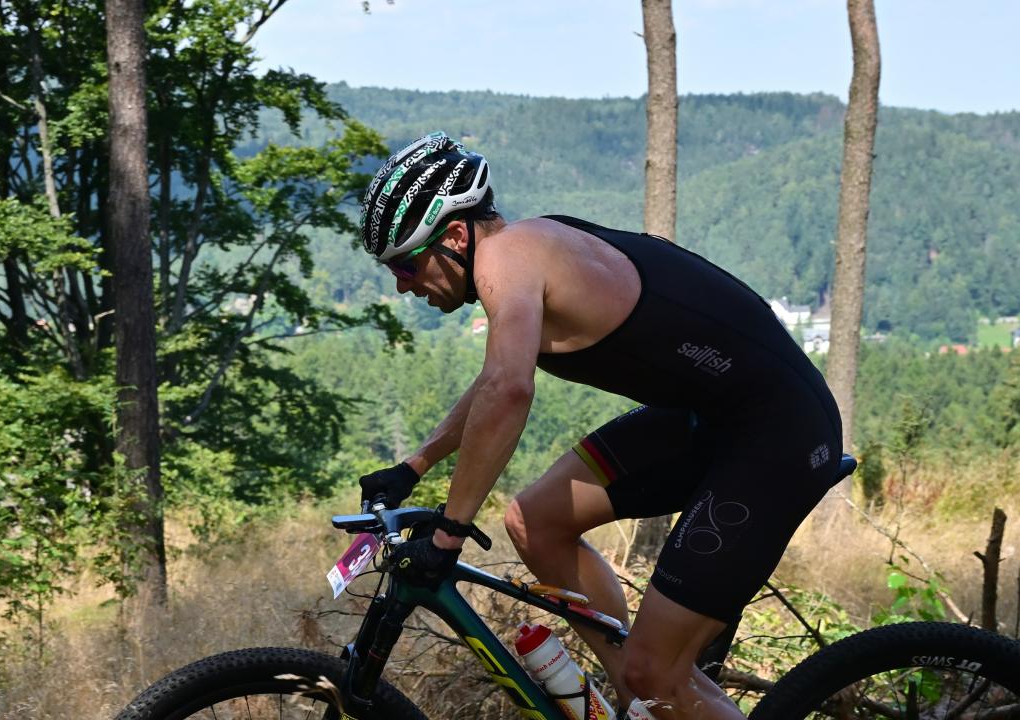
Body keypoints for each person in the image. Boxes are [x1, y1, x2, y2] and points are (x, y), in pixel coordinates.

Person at [355, 132, 843, 720]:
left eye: (406, 265)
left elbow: (511, 392)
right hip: (711, 417)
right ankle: (639, 701)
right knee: (535, 522)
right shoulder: (522, 255)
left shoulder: (510, 258)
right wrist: (416, 465)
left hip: (778, 430)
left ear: (455, 236)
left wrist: (449, 533)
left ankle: (649, 684)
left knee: (655, 671)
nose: (403, 285)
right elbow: (494, 382)